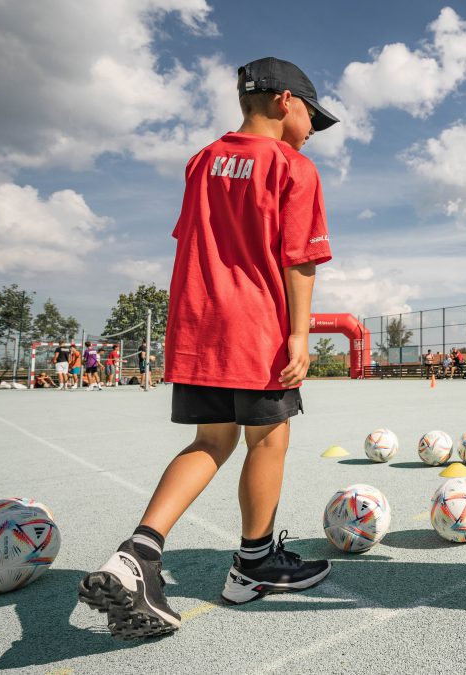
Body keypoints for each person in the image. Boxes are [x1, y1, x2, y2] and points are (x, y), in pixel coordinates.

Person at [79, 56, 338, 639]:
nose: (311, 133)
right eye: (310, 119)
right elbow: (299, 259)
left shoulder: (201, 161)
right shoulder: (291, 167)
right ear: (283, 102)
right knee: (269, 436)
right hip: (256, 329)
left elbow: (193, 236)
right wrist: (299, 333)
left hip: (198, 325)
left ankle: (138, 552)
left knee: (210, 441)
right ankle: (254, 563)